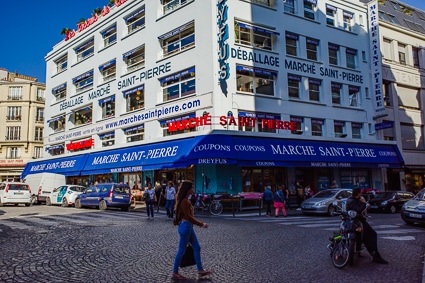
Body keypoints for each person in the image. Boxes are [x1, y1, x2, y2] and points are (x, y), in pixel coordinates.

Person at [172, 181, 212, 280]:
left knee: (197, 247)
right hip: (186, 227)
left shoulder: (185, 200)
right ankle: (175, 272)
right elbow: (188, 217)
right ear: (187, 189)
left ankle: (200, 270)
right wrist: (201, 224)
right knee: (181, 250)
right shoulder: (184, 201)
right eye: (192, 188)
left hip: (188, 227)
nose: (193, 189)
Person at [346, 188, 388, 264]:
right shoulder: (352, 201)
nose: (361, 194)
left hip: (359, 221)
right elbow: (358, 209)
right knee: (369, 236)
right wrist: (364, 203)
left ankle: (374, 254)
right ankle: (375, 255)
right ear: (358, 193)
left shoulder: (353, 200)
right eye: (360, 193)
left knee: (372, 234)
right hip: (357, 222)